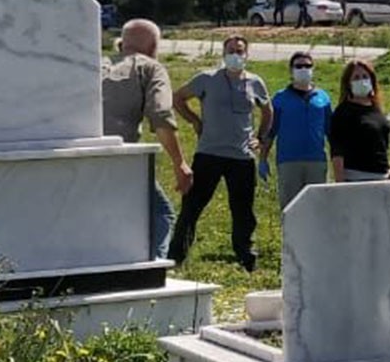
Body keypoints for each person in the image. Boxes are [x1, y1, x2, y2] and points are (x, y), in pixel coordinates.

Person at [168, 35, 271, 271]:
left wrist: (261, 138)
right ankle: (176, 256)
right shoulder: (207, 79)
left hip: (242, 157)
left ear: (247, 54)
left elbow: (267, 111)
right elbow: (178, 98)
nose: (236, 55)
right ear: (223, 54)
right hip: (209, 154)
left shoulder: (255, 82)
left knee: (244, 211)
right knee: (192, 205)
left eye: (240, 51)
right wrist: (194, 120)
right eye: (231, 51)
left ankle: (246, 258)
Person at [101, 18, 193, 261]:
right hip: (121, 156)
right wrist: (179, 163)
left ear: (121, 44)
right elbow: (161, 116)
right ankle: (151, 271)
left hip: (78, 153)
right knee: (161, 214)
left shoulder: (95, 64)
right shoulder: (150, 67)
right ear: (154, 47)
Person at [262, 51, 332, 212]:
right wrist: (263, 159)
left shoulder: (323, 98)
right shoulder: (280, 98)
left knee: (318, 208)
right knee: (290, 209)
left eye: (307, 66)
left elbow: (331, 132)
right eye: (299, 66)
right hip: (288, 161)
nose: (303, 69)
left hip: (317, 161)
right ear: (291, 70)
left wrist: (337, 159)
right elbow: (270, 131)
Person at [330, 60, 390, 182]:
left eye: (365, 76)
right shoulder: (343, 112)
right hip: (357, 178)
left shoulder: (376, 109)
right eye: (356, 77)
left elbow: (382, 146)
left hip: (383, 177)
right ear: (348, 84)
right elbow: (337, 153)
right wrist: (340, 184)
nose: (362, 80)